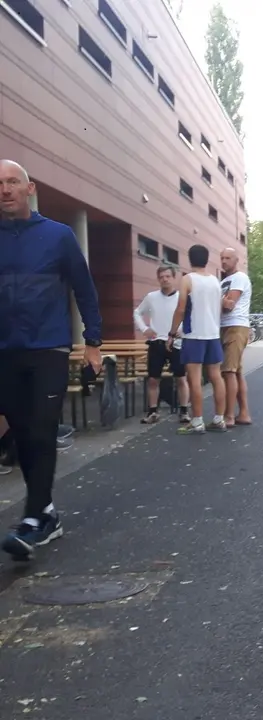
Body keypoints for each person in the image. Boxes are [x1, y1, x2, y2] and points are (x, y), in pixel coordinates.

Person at [0, 159, 102, 561]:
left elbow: (84, 289)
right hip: (6, 352)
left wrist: (93, 342)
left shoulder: (58, 236)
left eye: (12, 182)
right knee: (24, 436)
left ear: (29, 189)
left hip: (49, 348)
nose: (5, 189)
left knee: (42, 431)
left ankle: (32, 519)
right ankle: (46, 513)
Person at [167, 244, 228, 435]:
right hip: (213, 334)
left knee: (194, 379)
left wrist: (172, 333)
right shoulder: (215, 281)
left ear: (189, 259)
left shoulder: (188, 279)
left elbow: (181, 308)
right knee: (216, 376)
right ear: (207, 259)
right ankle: (219, 419)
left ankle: (197, 421)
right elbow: (219, 308)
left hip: (194, 335)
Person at [134, 264, 190, 424]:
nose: (165, 279)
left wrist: (183, 330)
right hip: (156, 342)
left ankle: (184, 411)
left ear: (174, 278)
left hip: (176, 343)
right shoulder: (151, 297)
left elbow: (191, 317)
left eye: (167, 276)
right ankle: (153, 411)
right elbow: (137, 312)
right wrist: (144, 329)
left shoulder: (182, 297)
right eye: (161, 277)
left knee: (181, 378)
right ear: (158, 279)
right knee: (153, 379)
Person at [219, 248, 253, 427]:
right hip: (226, 326)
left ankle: (229, 416)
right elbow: (223, 303)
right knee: (236, 371)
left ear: (236, 260)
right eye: (222, 258)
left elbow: (228, 305)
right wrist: (221, 301)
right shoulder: (223, 281)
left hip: (235, 326)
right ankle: (244, 414)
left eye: (227, 258)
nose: (224, 261)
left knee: (229, 372)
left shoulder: (239, 278)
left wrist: (215, 300)